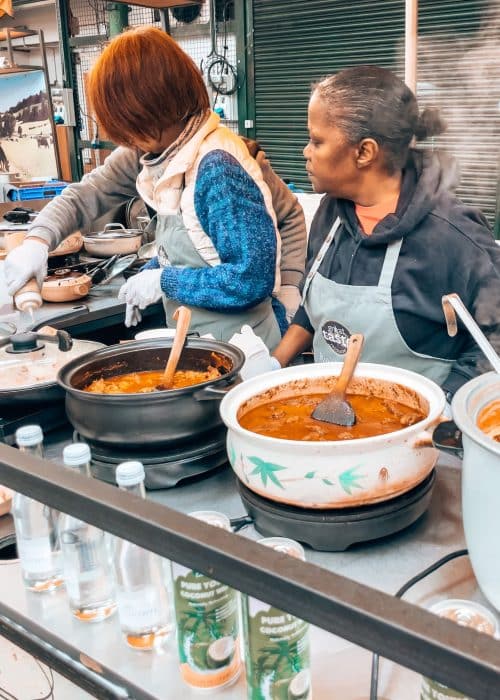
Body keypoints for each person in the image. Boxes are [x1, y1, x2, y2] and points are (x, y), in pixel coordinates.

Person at [4, 27, 285, 348]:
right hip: (201, 340)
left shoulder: (216, 167)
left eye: (127, 125)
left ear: (151, 108)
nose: (127, 141)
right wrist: (37, 241)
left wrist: (163, 281)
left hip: (244, 347)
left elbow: (250, 280)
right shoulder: (159, 149)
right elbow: (86, 195)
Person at [272, 66, 500, 402]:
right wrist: (273, 365)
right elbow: (315, 308)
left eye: (316, 140)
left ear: (364, 152)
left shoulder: (453, 237)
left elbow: (492, 344)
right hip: (324, 419)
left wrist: (444, 410)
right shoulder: (329, 214)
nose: (306, 151)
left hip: (420, 436)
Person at [241, 137, 306, 327]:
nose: (306, 152)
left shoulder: (246, 159)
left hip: (266, 302)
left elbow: (290, 214)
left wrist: (289, 281)